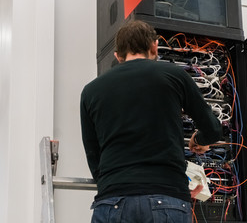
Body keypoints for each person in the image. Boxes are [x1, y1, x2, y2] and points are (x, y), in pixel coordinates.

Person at [80, 20, 222, 223]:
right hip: (168, 197)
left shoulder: (91, 90)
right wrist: (199, 139)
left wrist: (113, 185)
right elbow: (213, 129)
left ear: (117, 56)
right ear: (154, 46)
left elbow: (93, 156)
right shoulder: (175, 76)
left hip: (111, 201)